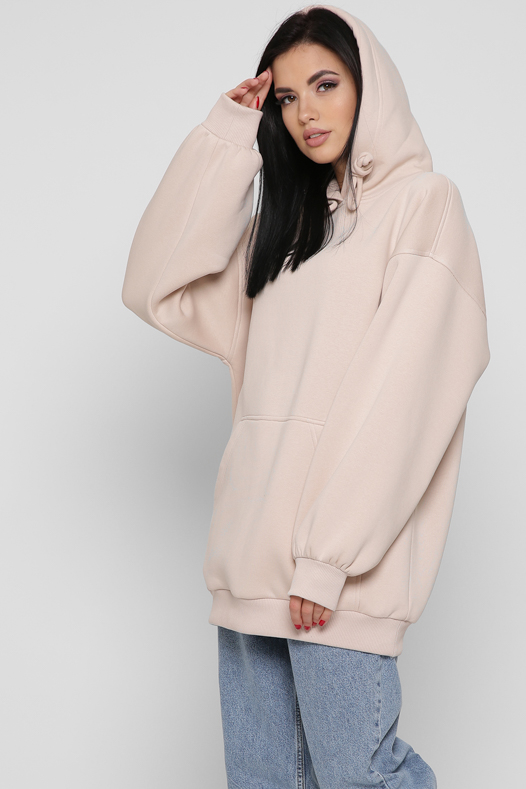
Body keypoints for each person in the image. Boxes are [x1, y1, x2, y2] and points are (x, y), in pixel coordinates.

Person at [121, 4, 490, 787]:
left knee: (361, 775)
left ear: (369, 86)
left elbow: (405, 395)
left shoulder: (423, 207)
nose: (305, 113)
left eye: (325, 85)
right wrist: (226, 139)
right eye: (287, 97)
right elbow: (155, 287)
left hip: (336, 578)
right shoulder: (284, 234)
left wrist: (326, 559)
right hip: (249, 570)